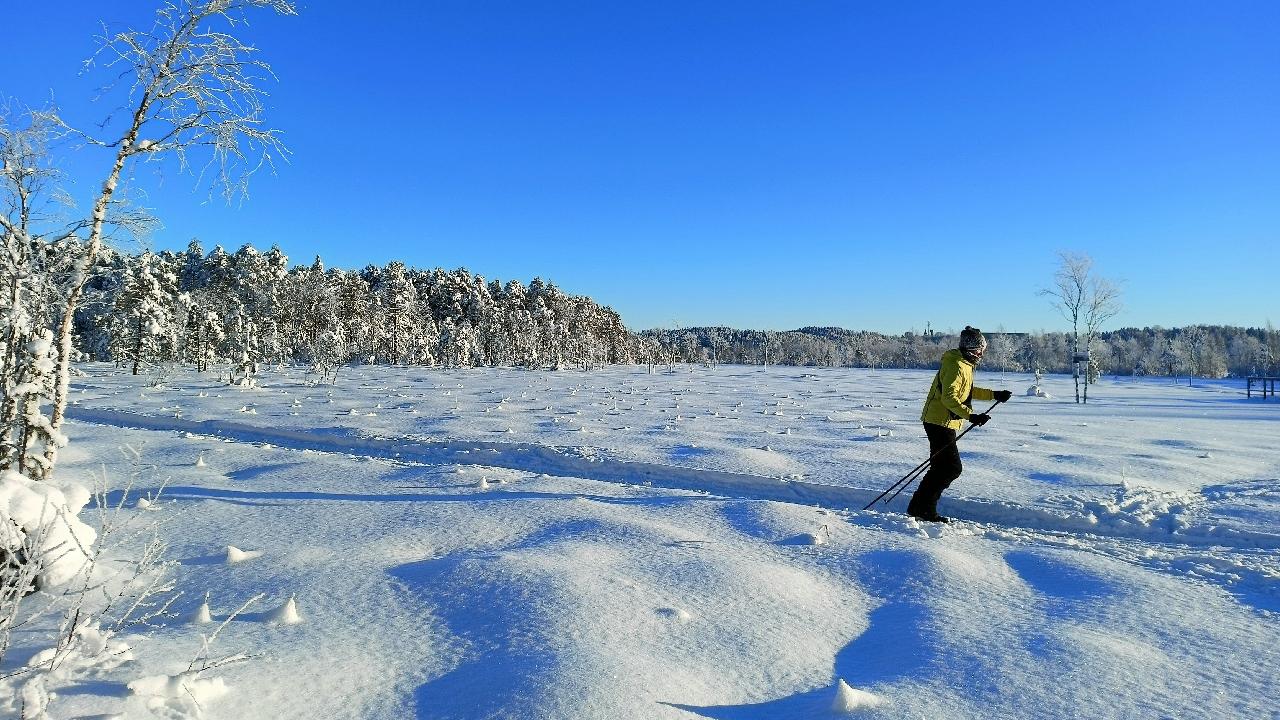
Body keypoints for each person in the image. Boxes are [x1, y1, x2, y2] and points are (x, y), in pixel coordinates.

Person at [908, 326, 1013, 522]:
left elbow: (967, 391)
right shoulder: (956, 364)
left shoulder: (964, 364)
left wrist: (994, 395)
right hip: (939, 421)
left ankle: (919, 507)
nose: (982, 354)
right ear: (972, 349)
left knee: (942, 467)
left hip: (944, 421)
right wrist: (971, 416)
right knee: (950, 468)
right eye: (980, 349)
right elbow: (949, 398)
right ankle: (922, 509)